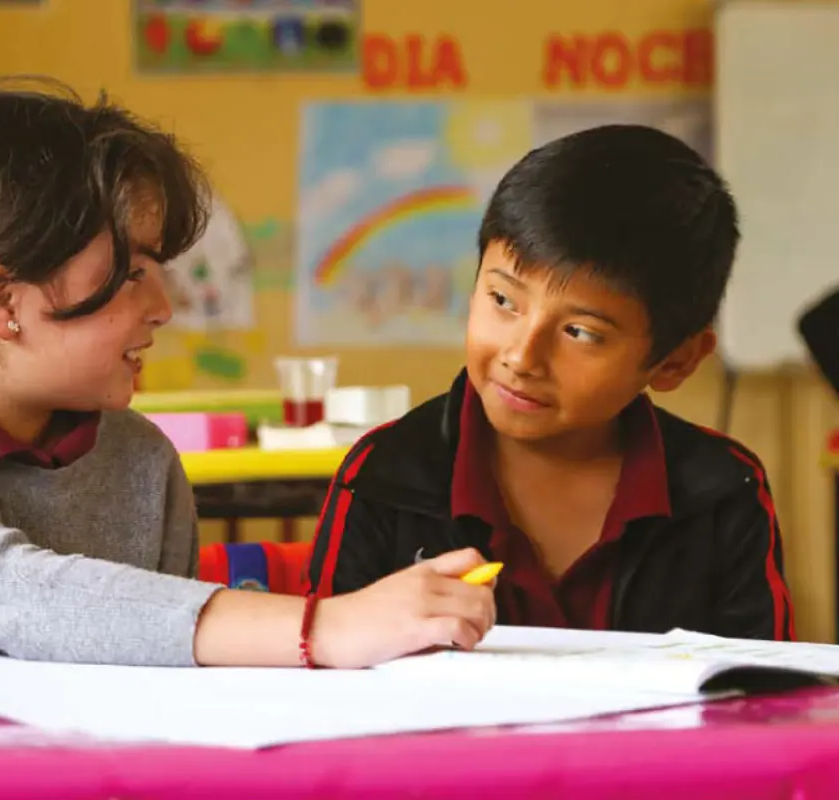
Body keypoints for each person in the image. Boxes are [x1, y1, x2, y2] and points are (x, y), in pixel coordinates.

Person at [0, 82, 496, 669]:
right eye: (131, 273)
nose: (163, 307)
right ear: (1, 302)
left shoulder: (138, 463)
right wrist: (320, 627)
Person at [307, 124, 796, 642]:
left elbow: (765, 701)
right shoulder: (384, 475)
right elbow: (323, 688)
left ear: (674, 361)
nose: (522, 356)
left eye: (580, 332)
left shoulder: (721, 491)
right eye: (503, 300)